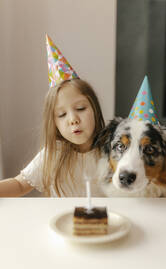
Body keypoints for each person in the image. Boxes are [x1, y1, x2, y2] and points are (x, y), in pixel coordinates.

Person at [0, 35, 105, 197]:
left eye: (80, 108)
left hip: (101, 221)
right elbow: (20, 185)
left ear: (95, 109)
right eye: (62, 115)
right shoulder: (53, 153)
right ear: (54, 123)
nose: (73, 120)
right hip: (59, 221)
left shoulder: (111, 150)